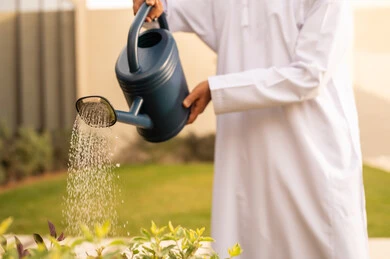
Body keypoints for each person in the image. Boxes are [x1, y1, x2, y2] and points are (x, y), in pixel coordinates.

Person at [133, 1, 369, 258]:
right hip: (247, 159)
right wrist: (150, 4)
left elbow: (311, 75)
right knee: (247, 244)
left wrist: (219, 89)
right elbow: (165, 11)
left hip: (311, 155)